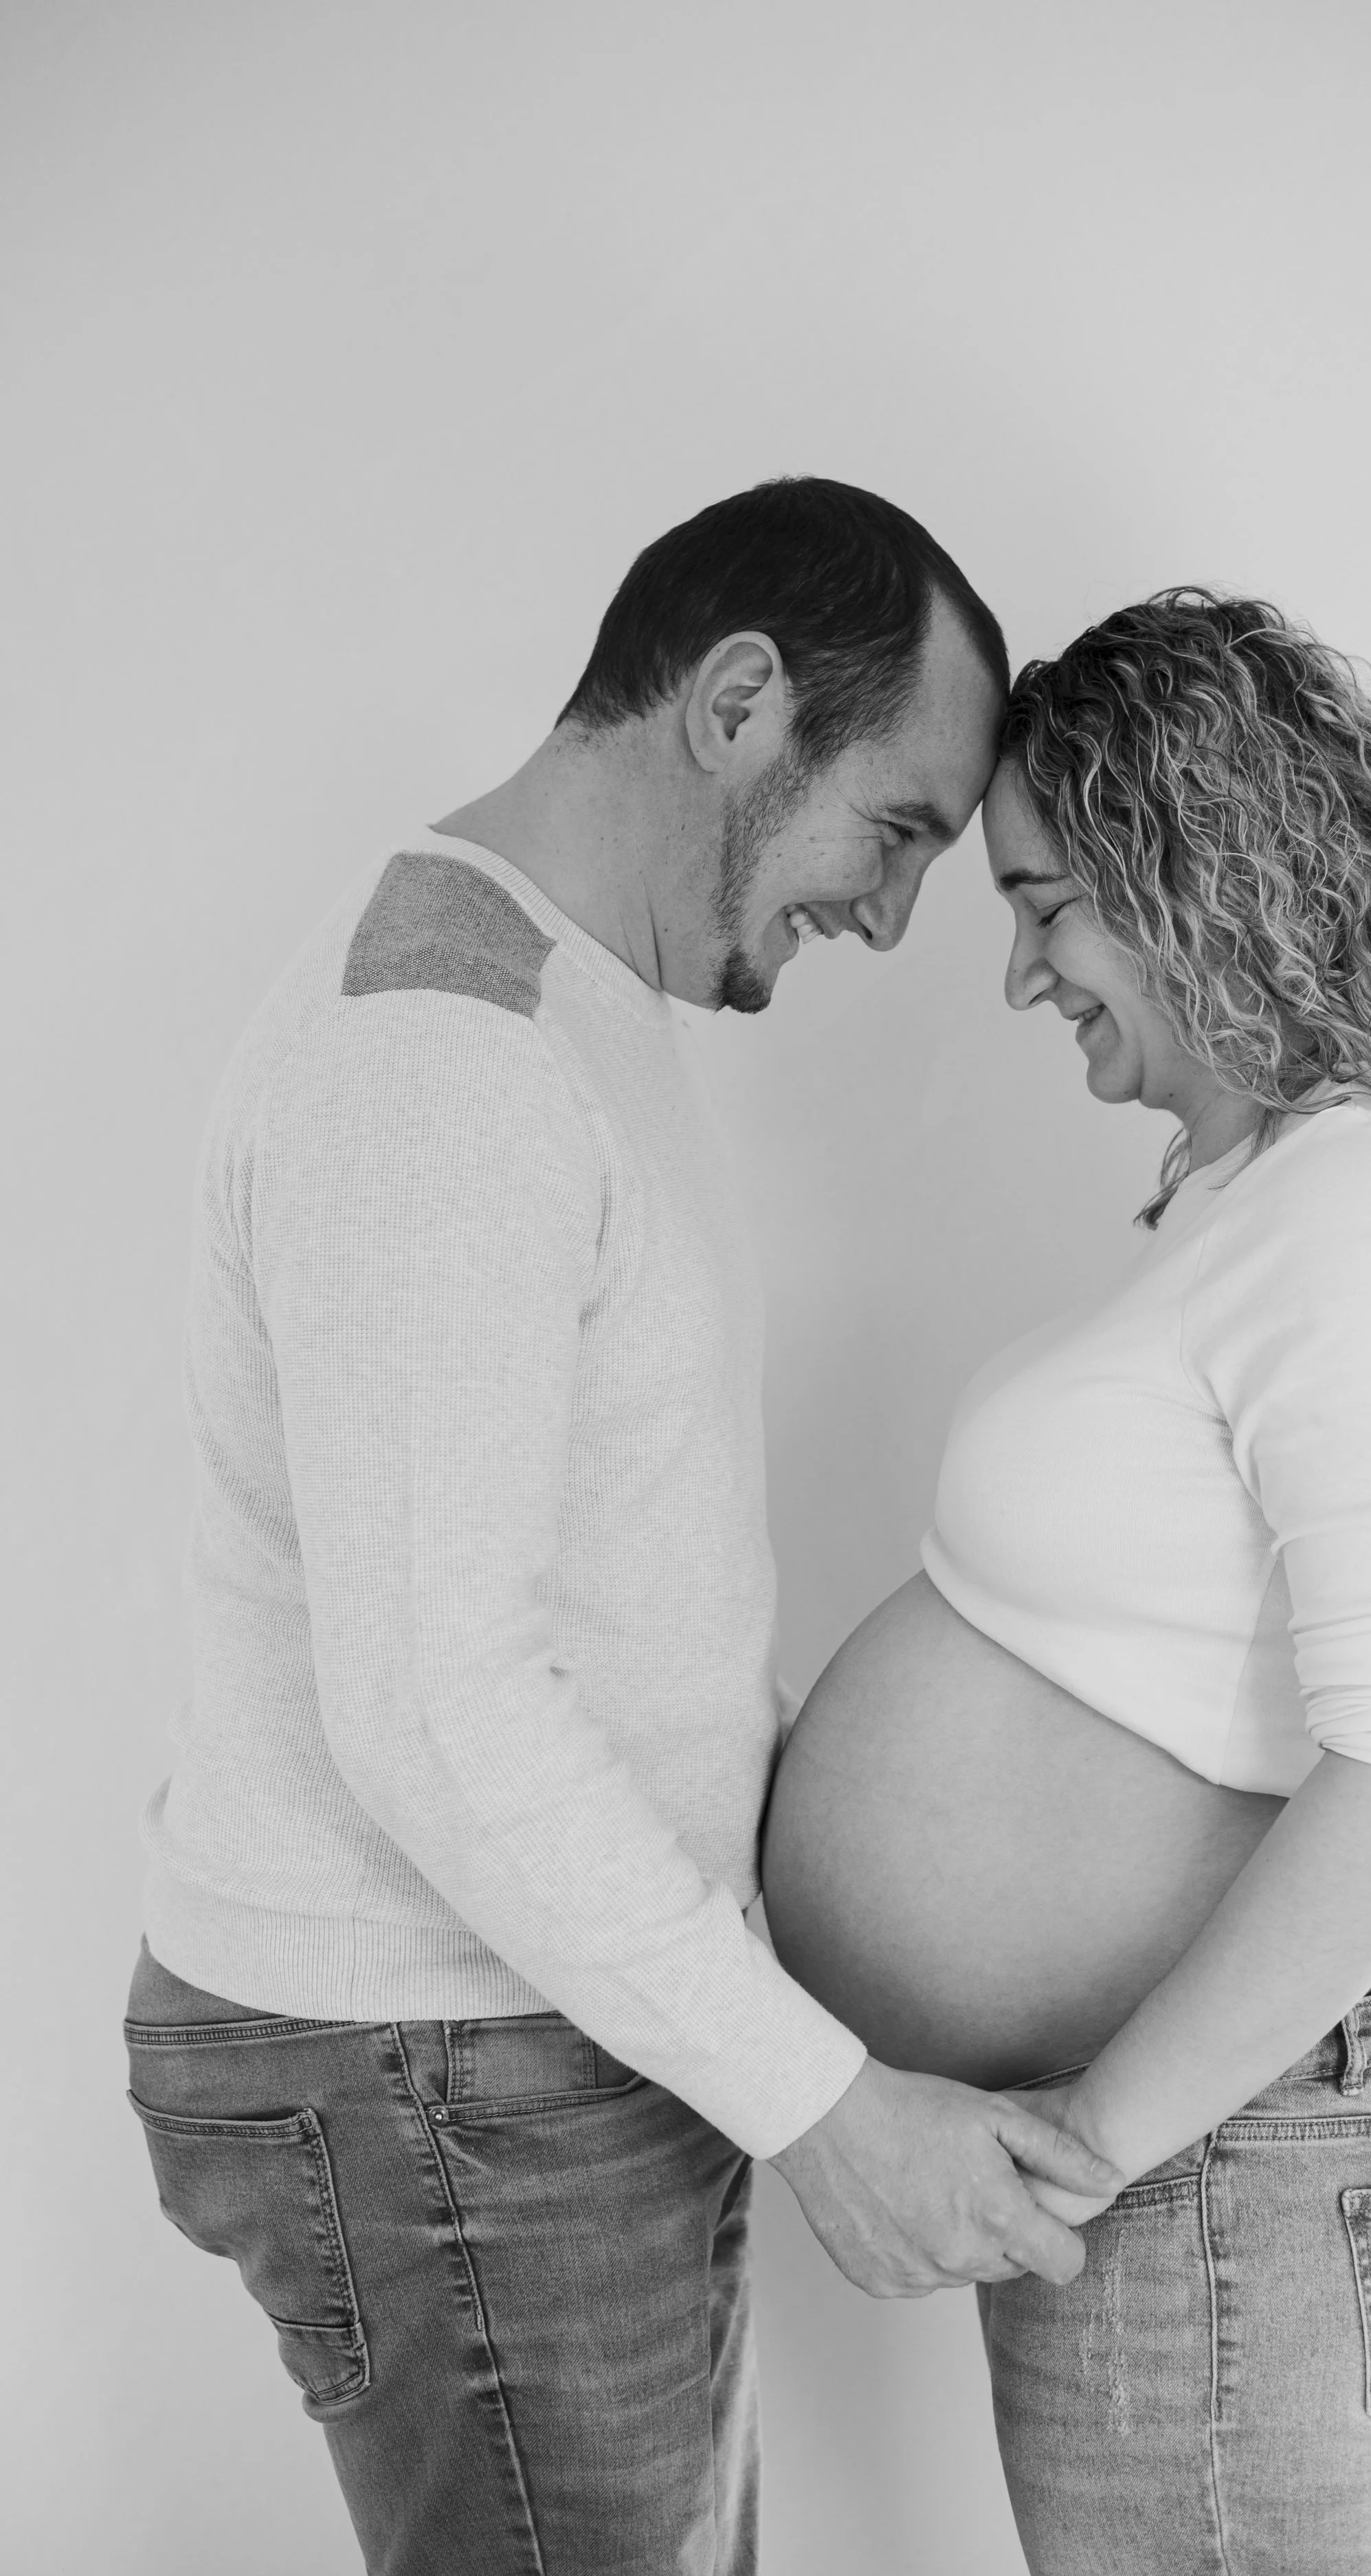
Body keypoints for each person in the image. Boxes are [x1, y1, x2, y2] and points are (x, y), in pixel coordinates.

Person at [122, 478, 1122, 2576]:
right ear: (741, 700)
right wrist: (818, 2100)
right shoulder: (445, 1058)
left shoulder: (574, 1006)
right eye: (904, 829)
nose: (891, 918)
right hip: (443, 2079)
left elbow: (587, 1602)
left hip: (530, 2053)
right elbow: (429, 1701)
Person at [763, 589, 1371, 2575]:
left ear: (1193, 869)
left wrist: (1096, 2146)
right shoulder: (1254, 1195)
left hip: (1246, 2168)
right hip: (1207, 2168)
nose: (1023, 976)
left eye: (1044, 905)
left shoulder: (1363, 1196)